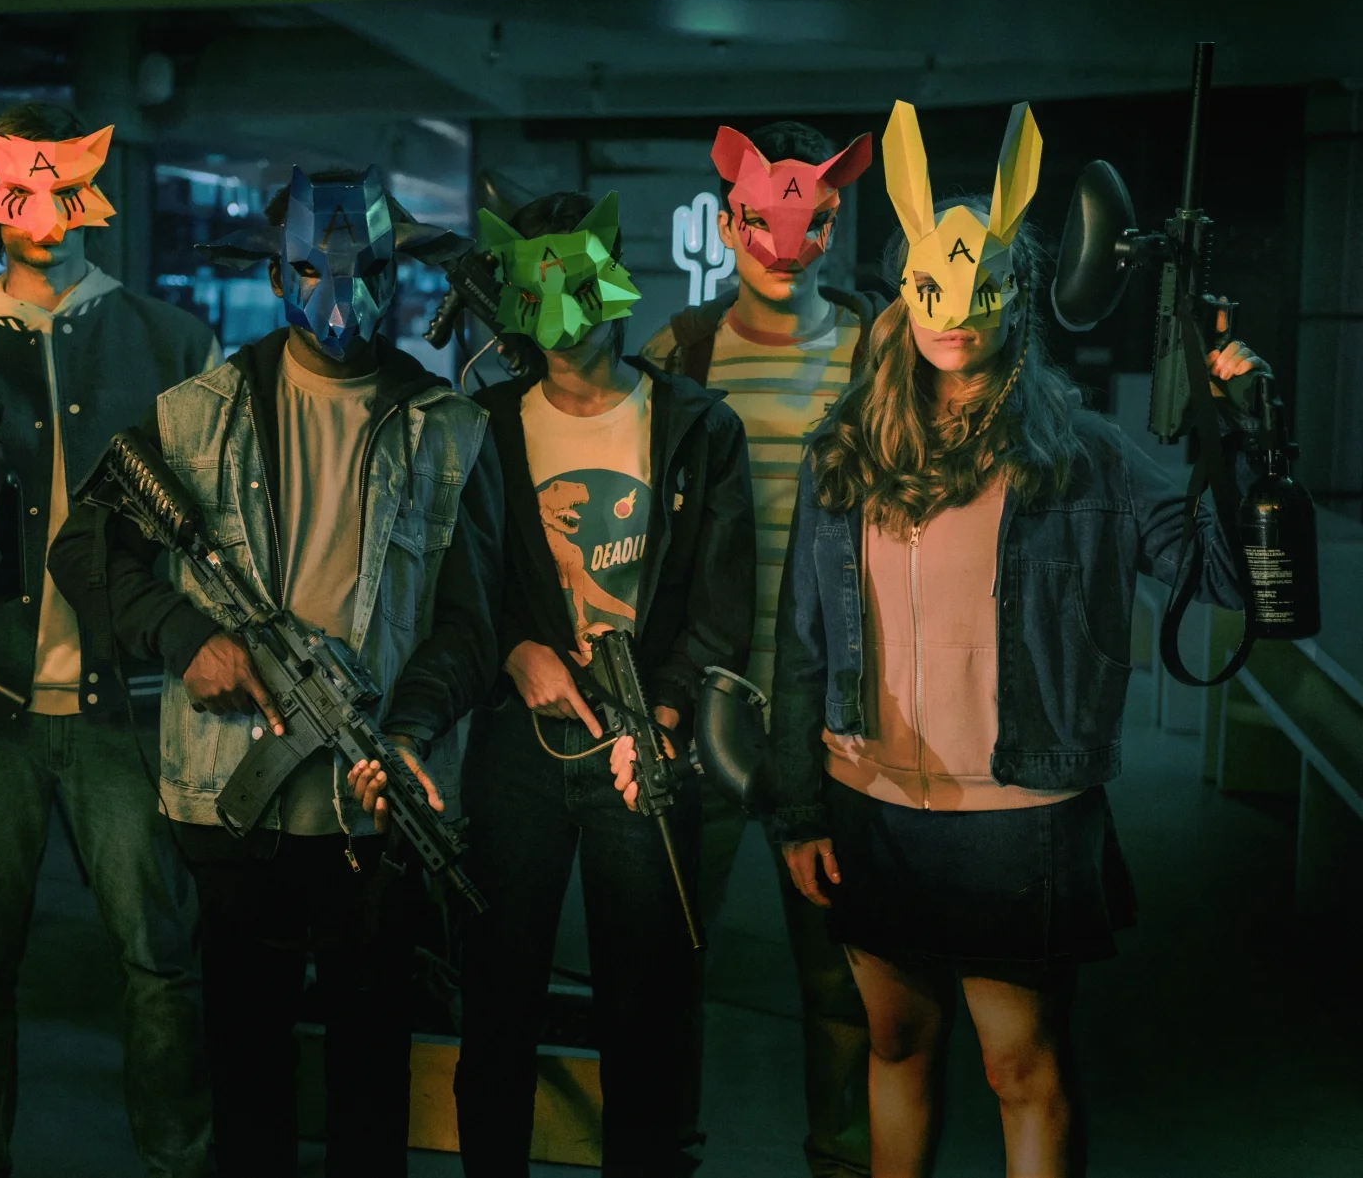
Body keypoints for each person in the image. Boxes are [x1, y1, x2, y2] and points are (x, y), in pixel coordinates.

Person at [768, 101, 1263, 1178]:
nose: (952, 314)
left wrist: (1244, 438)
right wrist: (798, 808)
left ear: (1018, 293)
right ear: (904, 290)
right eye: (931, 288)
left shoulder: (1083, 453)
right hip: (870, 806)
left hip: (1018, 816)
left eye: (978, 286)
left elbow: (1226, 575)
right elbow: (802, 638)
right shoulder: (844, 453)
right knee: (895, 1039)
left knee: (1019, 1064)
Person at [51, 166, 501, 1178]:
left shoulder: (450, 429)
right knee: (247, 1073)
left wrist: (411, 731)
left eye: (368, 272)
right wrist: (185, 637)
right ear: (274, 274)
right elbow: (85, 554)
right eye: (311, 270)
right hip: (231, 804)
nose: (341, 297)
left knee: (371, 1079)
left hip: (374, 812)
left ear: (396, 273)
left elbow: (471, 626)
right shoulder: (192, 415)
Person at [0, 103, 219, 1178]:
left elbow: (207, 535)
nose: (43, 212)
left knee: (159, 960)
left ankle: (179, 1161)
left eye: (64, 186)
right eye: (20, 190)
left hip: (125, 708)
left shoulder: (172, 341)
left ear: (93, 190)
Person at [453, 191, 756, 1176]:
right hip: (521, 745)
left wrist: (662, 714)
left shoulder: (697, 426)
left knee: (647, 1008)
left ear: (616, 285)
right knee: (498, 994)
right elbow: (456, 584)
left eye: (579, 290)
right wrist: (514, 648)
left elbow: (722, 605)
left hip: (645, 744)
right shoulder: (485, 427)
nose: (561, 321)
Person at [638, 118, 881, 1176]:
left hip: (837, 711)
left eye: (811, 219)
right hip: (702, 699)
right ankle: (663, 1152)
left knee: (844, 979)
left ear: (836, 215)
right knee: (667, 960)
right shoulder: (680, 352)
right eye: (761, 220)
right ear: (728, 217)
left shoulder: (880, 353)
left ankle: (844, 1159)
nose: (785, 246)